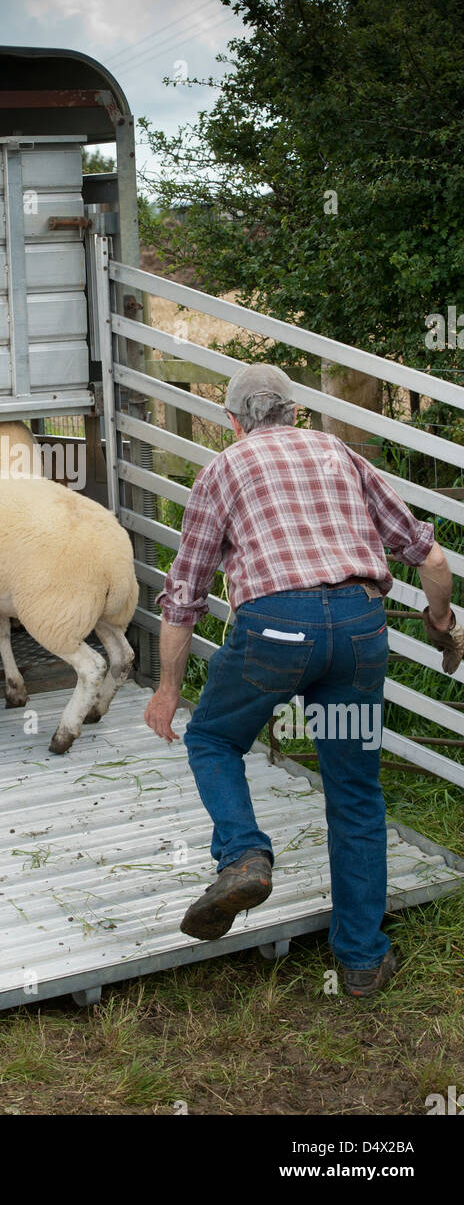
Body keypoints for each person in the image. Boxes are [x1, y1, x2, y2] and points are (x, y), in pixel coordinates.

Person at [144, 364, 462, 997]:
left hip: (276, 633)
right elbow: (429, 556)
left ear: (232, 422)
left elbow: (185, 597)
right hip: (357, 633)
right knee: (355, 794)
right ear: (295, 412)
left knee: (213, 740)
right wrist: (442, 622)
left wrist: (168, 690)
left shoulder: (223, 469)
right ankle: (363, 962)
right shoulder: (338, 452)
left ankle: (244, 856)